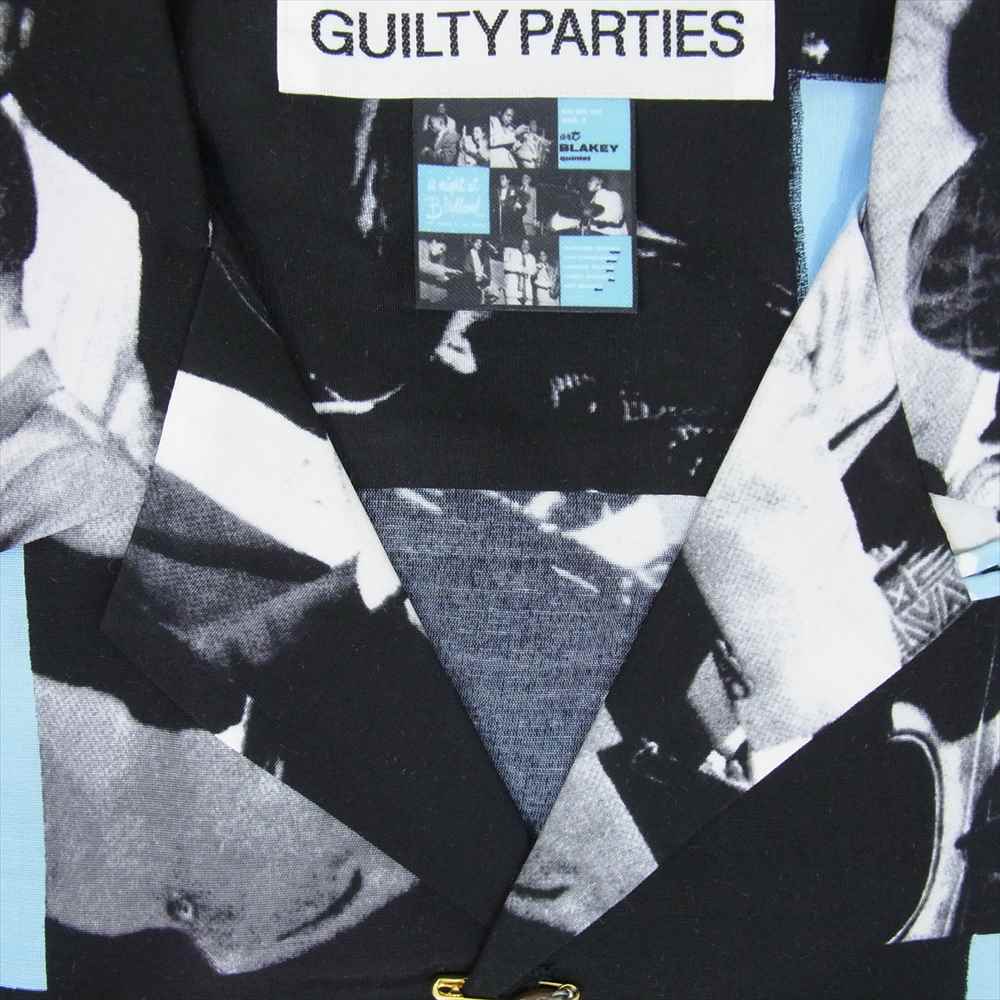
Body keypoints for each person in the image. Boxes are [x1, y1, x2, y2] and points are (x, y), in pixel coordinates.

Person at [418, 237, 461, 304]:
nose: (440, 253)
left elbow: (429, 267)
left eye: (442, 251)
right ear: (434, 241)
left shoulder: (428, 250)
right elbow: (422, 265)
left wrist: (450, 271)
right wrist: (446, 272)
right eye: (441, 249)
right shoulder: (421, 244)